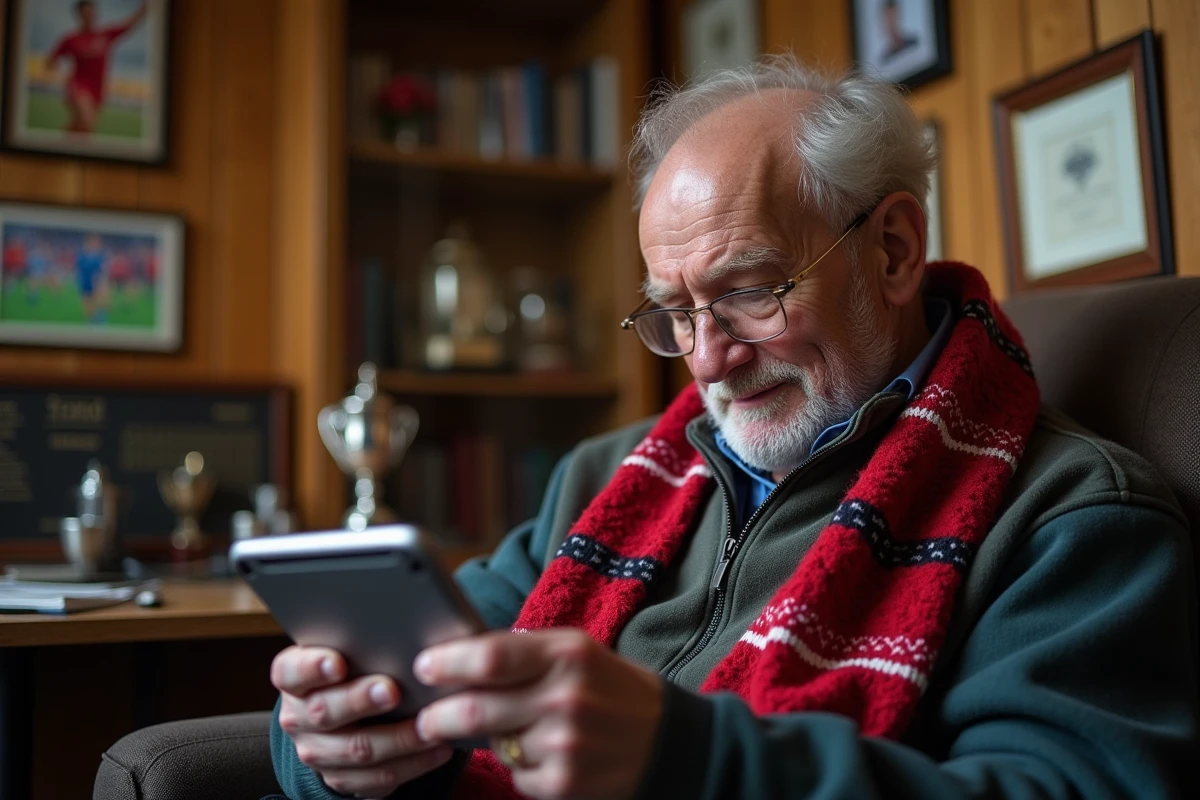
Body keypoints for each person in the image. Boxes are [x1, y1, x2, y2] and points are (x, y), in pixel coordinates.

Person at [267, 56, 1197, 800]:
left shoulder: (1072, 517)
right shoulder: (604, 473)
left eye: (750, 291)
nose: (707, 359)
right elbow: (415, 674)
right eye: (675, 312)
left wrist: (683, 759)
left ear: (894, 250)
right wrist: (332, 742)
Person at [44, 0, 148, 134]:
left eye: (91, 12)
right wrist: (55, 67)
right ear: (79, 15)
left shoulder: (105, 35)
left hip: (98, 88)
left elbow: (127, 26)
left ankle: (59, 143)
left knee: (81, 129)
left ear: (96, 13)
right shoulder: (71, 39)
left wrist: (143, 9)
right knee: (87, 121)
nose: (89, 16)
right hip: (79, 85)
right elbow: (51, 61)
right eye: (85, 13)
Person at [76, 233, 109, 323]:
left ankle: (100, 319)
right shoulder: (82, 256)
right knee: (88, 308)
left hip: (97, 282)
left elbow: (102, 271)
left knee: (101, 301)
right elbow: (79, 270)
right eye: (92, 242)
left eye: (96, 242)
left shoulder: (101, 256)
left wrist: (101, 282)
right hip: (86, 282)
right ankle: (91, 321)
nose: (94, 244)